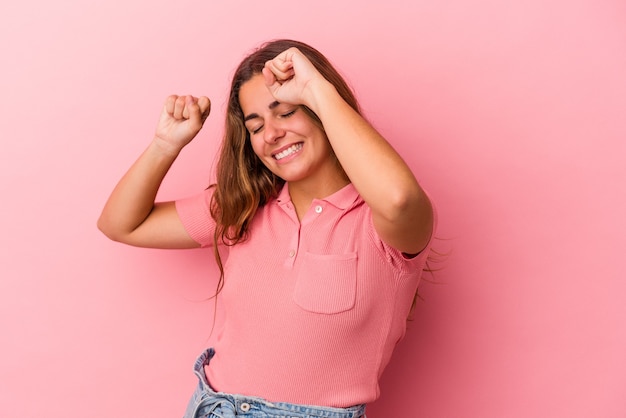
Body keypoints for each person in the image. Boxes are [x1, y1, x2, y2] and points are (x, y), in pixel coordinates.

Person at [98, 39, 435, 418]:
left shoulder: (381, 224)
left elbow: (401, 199)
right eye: (255, 126)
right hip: (213, 406)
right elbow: (120, 224)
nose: (271, 134)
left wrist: (317, 89)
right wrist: (164, 144)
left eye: (287, 112)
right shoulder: (244, 207)